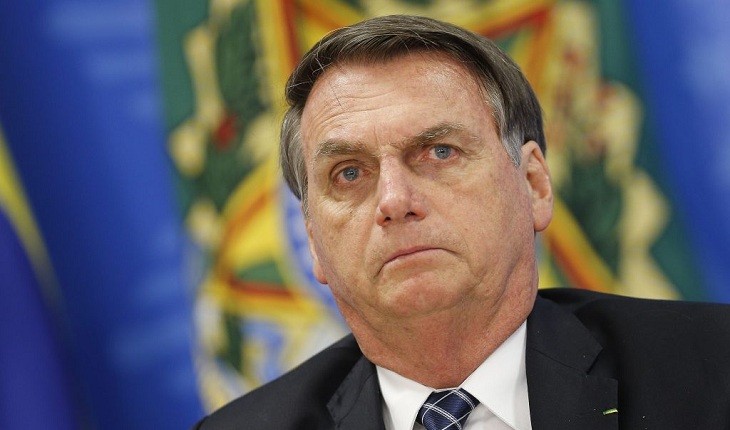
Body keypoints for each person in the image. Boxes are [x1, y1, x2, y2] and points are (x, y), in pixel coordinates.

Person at [193, 15, 730, 430]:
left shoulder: (712, 369)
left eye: (440, 152)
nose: (394, 200)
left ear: (534, 185)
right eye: (349, 173)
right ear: (313, 241)